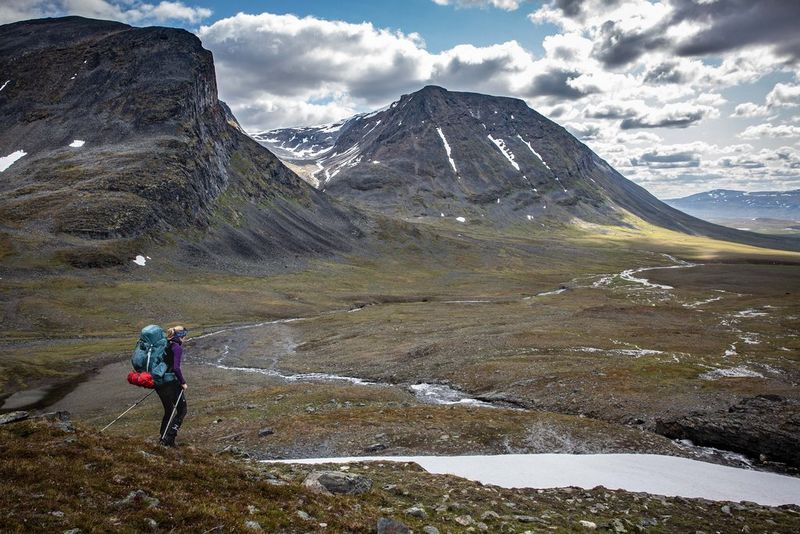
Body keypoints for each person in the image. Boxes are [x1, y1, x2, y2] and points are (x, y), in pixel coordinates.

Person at [156, 325, 188, 446]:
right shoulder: (177, 347)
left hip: (159, 382)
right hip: (171, 383)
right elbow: (176, 368)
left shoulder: (166, 344)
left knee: (169, 410)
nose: (185, 338)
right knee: (182, 410)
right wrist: (183, 382)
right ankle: (169, 439)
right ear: (180, 336)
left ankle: (163, 437)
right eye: (184, 336)